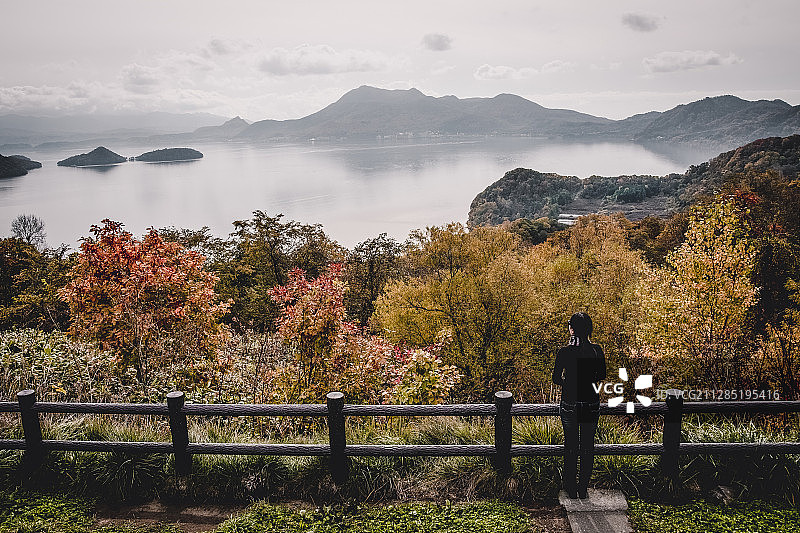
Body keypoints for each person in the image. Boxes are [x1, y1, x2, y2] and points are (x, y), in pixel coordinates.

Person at [551, 312, 606, 499]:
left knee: (571, 445)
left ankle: (570, 487)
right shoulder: (597, 350)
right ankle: (583, 487)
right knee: (588, 446)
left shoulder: (565, 352)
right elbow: (600, 376)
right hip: (591, 402)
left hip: (570, 403)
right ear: (589, 329)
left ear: (571, 329)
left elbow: (556, 378)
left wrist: (570, 382)